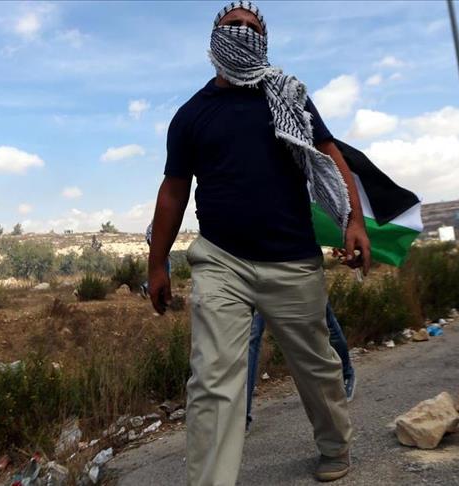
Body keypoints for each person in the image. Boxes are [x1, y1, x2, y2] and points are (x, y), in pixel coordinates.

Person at [146, 2, 371, 484]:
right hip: (221, 261)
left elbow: (329, 155)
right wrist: (156, 262)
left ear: (265, 42)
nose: (243, 31)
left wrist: (354, 221)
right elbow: (174, 191)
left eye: (253, 27)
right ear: (215, 36)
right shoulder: (191, 115)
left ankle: (335, 445)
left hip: (292, 260)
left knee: (316, 367)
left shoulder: (287, 97)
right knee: (212, 380)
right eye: (234, 24)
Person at [246, 302, 355, 433]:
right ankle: (242, 418)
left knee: (323, 319)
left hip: (297, 288)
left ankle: (346, 373)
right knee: (252, 335)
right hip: (255, 289)